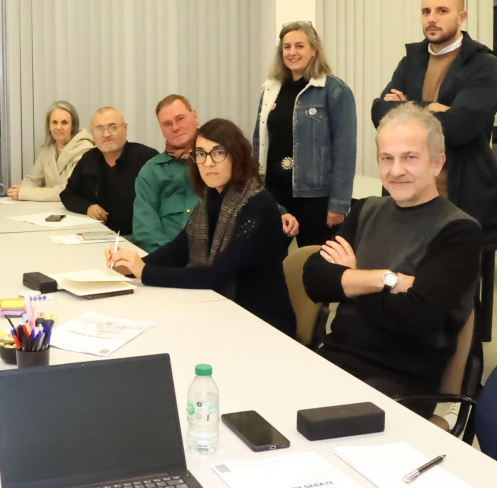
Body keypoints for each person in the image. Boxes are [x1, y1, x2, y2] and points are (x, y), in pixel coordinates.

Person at [303, 104, 481, 407]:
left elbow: (419, 319)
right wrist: (387, 279)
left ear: (437, 164)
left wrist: (348, 280)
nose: (395, 170)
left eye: (410, 157)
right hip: (334, 361)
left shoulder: (459, 231)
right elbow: (315, 279)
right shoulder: (366, 210)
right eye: (387, 158)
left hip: (401, 383)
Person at [371, 0, 497, 341]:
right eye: (425, 12)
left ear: (462, 17)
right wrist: (433, 109)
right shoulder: (412, 60)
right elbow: (380, 112)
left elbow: (464, 125)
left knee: (457, 288)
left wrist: (408, 108)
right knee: (404, 277)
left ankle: (464, 368)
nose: (432, 19)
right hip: (407, 192)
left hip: (460, 191)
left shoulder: (484, 63)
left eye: (441, 11)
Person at [107, 119, 296, 335]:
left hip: (261, 324)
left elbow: (216, 276)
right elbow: (178, 251)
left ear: (237, 156)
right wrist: (131, 266)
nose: (208, 163)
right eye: (201, 154)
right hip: (219, 311)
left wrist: (144, 272)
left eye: (217, 153)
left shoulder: (258, 205)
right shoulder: (209, 200)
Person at [134, 94, 299, 253]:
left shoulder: (224, 160)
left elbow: (250, 196)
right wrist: (171, 263)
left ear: (195, 117)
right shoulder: (151, 172)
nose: (175, 128)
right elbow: (147, 230)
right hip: (172, 263)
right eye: (167, 124)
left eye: (180, 119)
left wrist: (282, 216)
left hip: (221, 258)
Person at [253, 21, 357, 247]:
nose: (292, 52)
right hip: (274, 196)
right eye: (286, 47)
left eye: (299, 46)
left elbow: (345, 151)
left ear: (314, 50)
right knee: (268, 264)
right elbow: (258, 142)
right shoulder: (271, 90)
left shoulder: (334, 90)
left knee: (314, 266)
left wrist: (339, 204)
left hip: (316, 200)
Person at [60, 107, 158, 235]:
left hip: (140, 238)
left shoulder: (147, 158)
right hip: (98, 236)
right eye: (100, 129)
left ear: (125, 128)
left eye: (113, 127)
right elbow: (68, 194)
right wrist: (87, 207)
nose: (106, 134)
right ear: (92, 133)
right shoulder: (89, 159)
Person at [6, 101, 95, 201]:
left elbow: (67, 191)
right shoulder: (48, 150)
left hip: (74, 211)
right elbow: (33, 179)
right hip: (49, 209)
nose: (58, 127)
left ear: (73, 126)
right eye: (54, 122)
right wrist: (21, 190)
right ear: (49, 126)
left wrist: (25, 193)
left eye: (64, 123)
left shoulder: (85, 151)